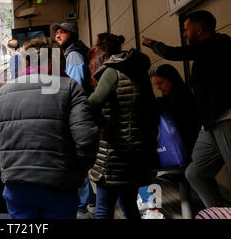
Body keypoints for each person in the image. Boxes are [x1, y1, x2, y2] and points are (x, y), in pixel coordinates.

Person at [0, 37, 99, 219]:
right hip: (60, 184)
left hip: (17, 184)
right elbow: (86, 139)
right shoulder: (71, 88)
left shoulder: (3, 93)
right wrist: (78, 171)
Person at [142, 10, 231, 208]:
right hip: (210, 123)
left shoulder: (217, 44)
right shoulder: (206, 52)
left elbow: (175, 53)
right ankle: (218, 213)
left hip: (225, 118)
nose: (184, 34)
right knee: (195, 173)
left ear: (199, 30)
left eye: (186, 29)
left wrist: (152, 44)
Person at [87, 34, 159, 219]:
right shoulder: (139, 73)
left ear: (103, 59)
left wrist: (101, 125)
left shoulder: (111, 72)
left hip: (114, 155)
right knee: (129, 205)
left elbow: (92, 105)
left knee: (103, 208)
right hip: (137, 153)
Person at [137, 64, 201, 219]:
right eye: (155, 85)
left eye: (160, 83)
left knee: (140, 167)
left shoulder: (172, 104)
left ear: (172, 79)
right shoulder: (190, 99)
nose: (158, 88)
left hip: (182, 156)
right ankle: (150, 206)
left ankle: (151, 209)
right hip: (191, 154)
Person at [52, 22, 95, 217]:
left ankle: (83, 203)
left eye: (62, 32)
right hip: (79, 112)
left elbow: (75, 86)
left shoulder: (74, 54)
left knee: (75, 158)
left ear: (72, 34)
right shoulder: (71, 52)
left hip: (77, 113)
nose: (58, 35)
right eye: (57, 33)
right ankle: (89, 199)